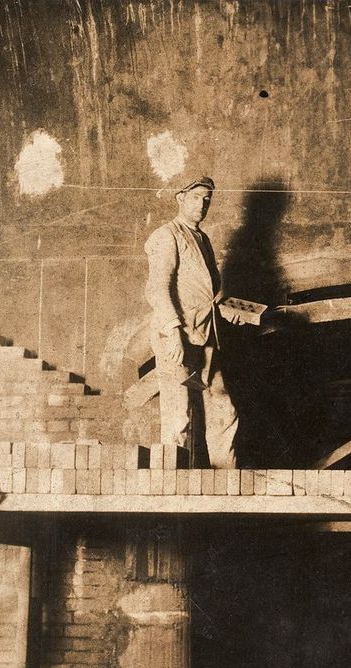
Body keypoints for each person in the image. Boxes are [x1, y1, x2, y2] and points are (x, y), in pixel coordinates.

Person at [144, 175, 239, 468]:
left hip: (205, 334)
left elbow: (207, 292)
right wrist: (173, 332)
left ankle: (226, 481)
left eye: (207, 199)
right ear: (180, 198)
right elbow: (157, 288)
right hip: (178, 335)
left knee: (223, 410)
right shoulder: (167, 235)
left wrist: (227, 310)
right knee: (179, 415)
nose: (202, 205)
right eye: (196, 197)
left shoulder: (202, 239)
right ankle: (172, 486)